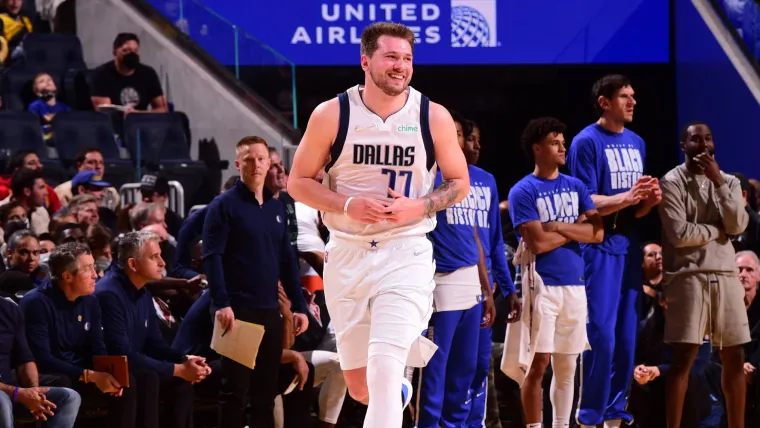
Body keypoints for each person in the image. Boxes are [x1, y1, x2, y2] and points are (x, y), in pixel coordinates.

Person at [287, 21, 470, 428]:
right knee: (361, 388)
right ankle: (398, 392)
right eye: (391, 57)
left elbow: (460, 182)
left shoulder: (432, 115)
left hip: (406, 252)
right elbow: (297, 182)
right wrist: (346, 203)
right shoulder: (333, 113)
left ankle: (395, 384)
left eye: (407, 59)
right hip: (347, 253)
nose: (400, 66)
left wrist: (419, 207)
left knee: (385, 369)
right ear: (365, 60)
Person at [566, 74, 661, 428]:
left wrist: (648, 202)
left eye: (633, 96)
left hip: (629, 245)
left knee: (625, 336)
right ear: (604, 102)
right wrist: (628, 197)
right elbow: (586, 201)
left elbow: (635, 209)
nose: (632, 101)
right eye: (624, 96)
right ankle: (589, 414)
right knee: (601, 334)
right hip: (599, 245)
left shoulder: (636, 142)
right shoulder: (585, 142)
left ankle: (615, 413)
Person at [203, 136, 309, 428]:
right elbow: (212, 257)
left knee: (265, 393)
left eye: (262, 159)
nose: (256, 165)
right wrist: (222, 303)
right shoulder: (223, 206)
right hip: (237, 311)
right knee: (235, 392)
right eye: (249, 159)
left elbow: (287, 260)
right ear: (238, 164)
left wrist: (299, 306)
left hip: (269, 312)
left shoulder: (276, 208)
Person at [509, 117, 603, 428]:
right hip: (541, 285)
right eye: (554, 142)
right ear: (537, 148)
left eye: (563, 141)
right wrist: (576, 229)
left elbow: (597, 233)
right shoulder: (523, 190)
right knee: (538, 365)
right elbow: (537, 243)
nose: (563, 146)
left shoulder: (576, 185)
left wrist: (560, 226)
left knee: (568, 366)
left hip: (575, 285)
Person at [659, 121, 750, 428]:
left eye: (708, 139)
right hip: (688, 276)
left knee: (734, 359)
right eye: (695, 140)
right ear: (684, 146)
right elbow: (680, 234)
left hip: (725, 274)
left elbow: (738, 226)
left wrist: (718, 181)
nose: (703, 145)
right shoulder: (670, 181)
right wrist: (716, 229)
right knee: (684, 359)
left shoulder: (729, 182)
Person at [96, 231, 210, 428]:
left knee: (182, 384)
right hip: (112, 371)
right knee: (148, 378)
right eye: (154, 257)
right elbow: (122, 355)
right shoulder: (109, 294)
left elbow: (154, 343)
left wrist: (183, 359)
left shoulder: (142, 289)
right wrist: (179, 369)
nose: (163, 263)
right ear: (133, 264)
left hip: (136, 366)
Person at [19, 242, 138, 427]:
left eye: (94, 267)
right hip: (48, 373)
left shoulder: (90, 301)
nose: (95, 275)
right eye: (88, 269)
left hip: (79, 371)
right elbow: (42, 358)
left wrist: (109, 373)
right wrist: (90, 375)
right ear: (67, 276)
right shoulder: (36, 303)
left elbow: (97, 347)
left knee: (126, 382)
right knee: (65, 382)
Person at [462, 119, 520, 428]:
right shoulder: (436, 178)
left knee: (480, 365)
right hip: (450, 286)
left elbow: (496, 244)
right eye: (470, 138)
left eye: (477, 139)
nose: (477, 145)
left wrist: (509, 291)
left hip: (484, 291)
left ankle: (478, 423)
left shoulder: (487, 180)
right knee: (450, 367)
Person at [0, 296, 81, 427]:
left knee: (68, 397)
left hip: (10, 389)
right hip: (6, 393)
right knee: (1, 400)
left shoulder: (9, 309)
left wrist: (34, 392)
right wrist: (17, 393)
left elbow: (25, 359)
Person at [91, 33, 168, 113]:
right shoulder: (101, 74)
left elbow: (162, 109)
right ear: (114, 52)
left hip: (142, 122)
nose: (131, 54)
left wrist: (137, 114)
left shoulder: (148, 73)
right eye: (125, 50)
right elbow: (105, 112)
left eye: (135, 50)